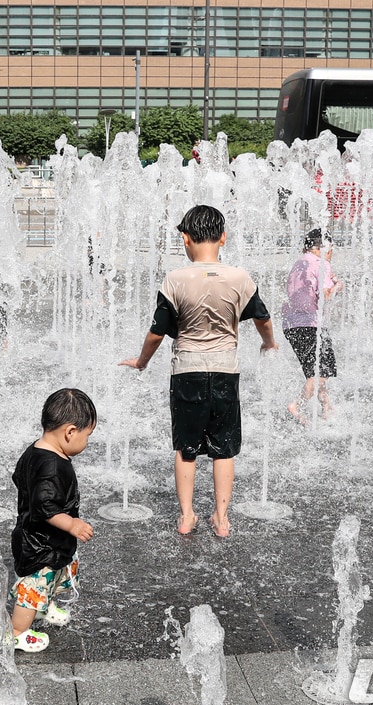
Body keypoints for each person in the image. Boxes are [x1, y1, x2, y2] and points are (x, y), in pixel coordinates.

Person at [119, 205, 277, 538]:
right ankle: (221, 518)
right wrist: (269, 343)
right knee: (224, 447)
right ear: (223, 237)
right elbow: (262, 318)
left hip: (186, 371)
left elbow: (157, 332)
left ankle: (187, 515)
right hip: (225, 371)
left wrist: (141, 361)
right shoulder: (240, 277)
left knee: (186, 447)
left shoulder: (175, 279)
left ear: (185, 239)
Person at [10, 388, 97, 652]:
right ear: (70, 432)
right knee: (33, 588)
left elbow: (18, 478)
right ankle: (17, 632)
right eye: (87, 436)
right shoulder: (51, 465)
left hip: (48, 541)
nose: (86, 442)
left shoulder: (36, 451)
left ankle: (44, 607)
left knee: (54, 575)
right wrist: (72, 524)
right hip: (40, 544)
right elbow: (44, 505)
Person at [281, 228, 342, 424]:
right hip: (311, 324)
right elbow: (324, 296)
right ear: (325, 248)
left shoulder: (299, 263)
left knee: (314, 371)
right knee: (323, 371)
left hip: (291, 325)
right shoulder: (321, 263)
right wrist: (338, 286)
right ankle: (296, 405)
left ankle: (326, 406)